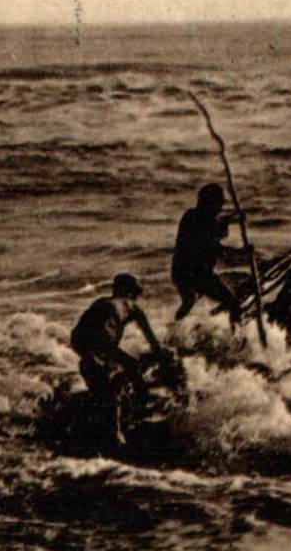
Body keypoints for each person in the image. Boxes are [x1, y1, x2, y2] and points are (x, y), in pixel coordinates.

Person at [70, 274, 167, 443]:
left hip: (78, 337)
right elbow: (153, 342)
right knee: (131, 368)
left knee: (101, 376)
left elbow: (84, 330)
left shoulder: (102, 302)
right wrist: (161, 358)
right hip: (103, 339)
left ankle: (96, 409)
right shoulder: (133, 307)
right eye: (137, 292)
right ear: (131, 293)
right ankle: (133, 417)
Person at [172, 183, 248, 325]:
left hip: (180, 273)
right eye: (218, 203)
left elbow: (216, 229)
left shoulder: (191, 216)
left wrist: (230, 220)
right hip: (197, 274)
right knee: (233, 303)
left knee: (188, 302)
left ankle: (174, 330)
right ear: (209, 203)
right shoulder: (199, 220)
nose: (220, 208)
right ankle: (237, 335)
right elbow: (217, 245)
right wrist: (243, 252)